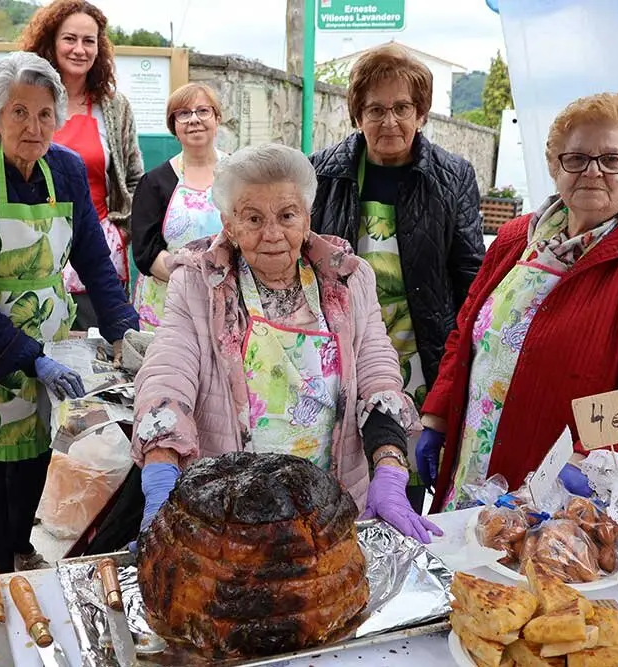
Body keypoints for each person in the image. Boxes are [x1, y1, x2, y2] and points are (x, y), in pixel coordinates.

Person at [132, 144, 443, 544]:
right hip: (227, 514)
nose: (273, 234)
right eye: (253, 218)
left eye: (287, 215)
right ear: (229, 224)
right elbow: (168, 374)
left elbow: (377, 373)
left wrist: (390, 467)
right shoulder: (198, 283)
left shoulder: (349, 279)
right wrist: (161, 475)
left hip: (330, 508)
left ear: (307, 218)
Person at [417, 93, 618, 512]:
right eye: (576, 158)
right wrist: (438, 415)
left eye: (612, 159)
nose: (592, 171)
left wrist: (581, 456)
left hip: (560, 497)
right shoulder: (516, 239)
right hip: (471, 468)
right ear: (556, 166)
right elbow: (468, 331)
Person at [0, 52, 139, 574]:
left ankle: (23, 555)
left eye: (45, 114)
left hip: (50, 343)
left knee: (34, 459)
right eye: (19, 112)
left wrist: (125, 330)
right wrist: (28, 356)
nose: (33, 126)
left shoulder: (65, 170)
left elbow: (94, 258)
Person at [309, 44, 485, 512]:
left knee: (400, 477)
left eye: (402, 108)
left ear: (421, 113)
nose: (390, 122)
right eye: (375, 110)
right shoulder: (321, 173)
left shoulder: (453, 176)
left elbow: (471, 276)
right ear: (357, 114)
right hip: (343, 351)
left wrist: (459, 370)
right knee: (336, 474)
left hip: (421, 359)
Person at [21, 0, 144, 331]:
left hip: (98, 254)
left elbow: (134, 179)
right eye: (69, 39)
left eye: (89, 41)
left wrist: (121, 233)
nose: (79, 49)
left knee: (99, 346)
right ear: (50, 42)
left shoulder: (114, 107)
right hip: (33, 248)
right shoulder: (24, 99)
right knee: (39, 343)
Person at [131, 83, 226, 330]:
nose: (194, 120)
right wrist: (192, 280)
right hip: (167, 304)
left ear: (217, 119)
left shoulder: (239, 175)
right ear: (173, 126)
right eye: (183, 113)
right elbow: (146, 251)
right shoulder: (154, 182)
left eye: (203, 111)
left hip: (226, 297)